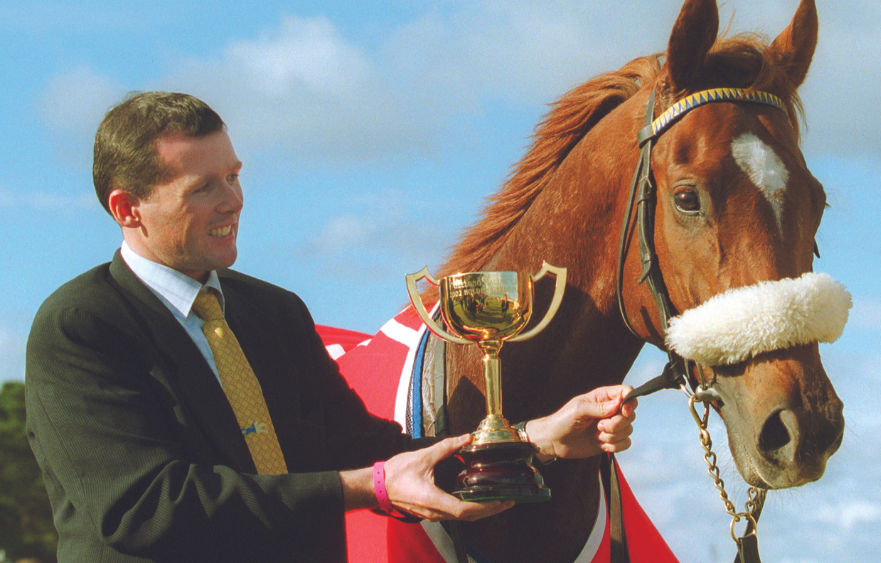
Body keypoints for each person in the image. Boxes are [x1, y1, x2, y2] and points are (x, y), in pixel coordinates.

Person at [25, 92, 638, 563]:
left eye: (234, 175)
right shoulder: (79, 327)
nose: (233, 200)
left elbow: (364, 449)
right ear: (127, 209)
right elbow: (149, 508)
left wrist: (536, 440)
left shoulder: (274, 311)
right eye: (203, 187)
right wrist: (365, 486)